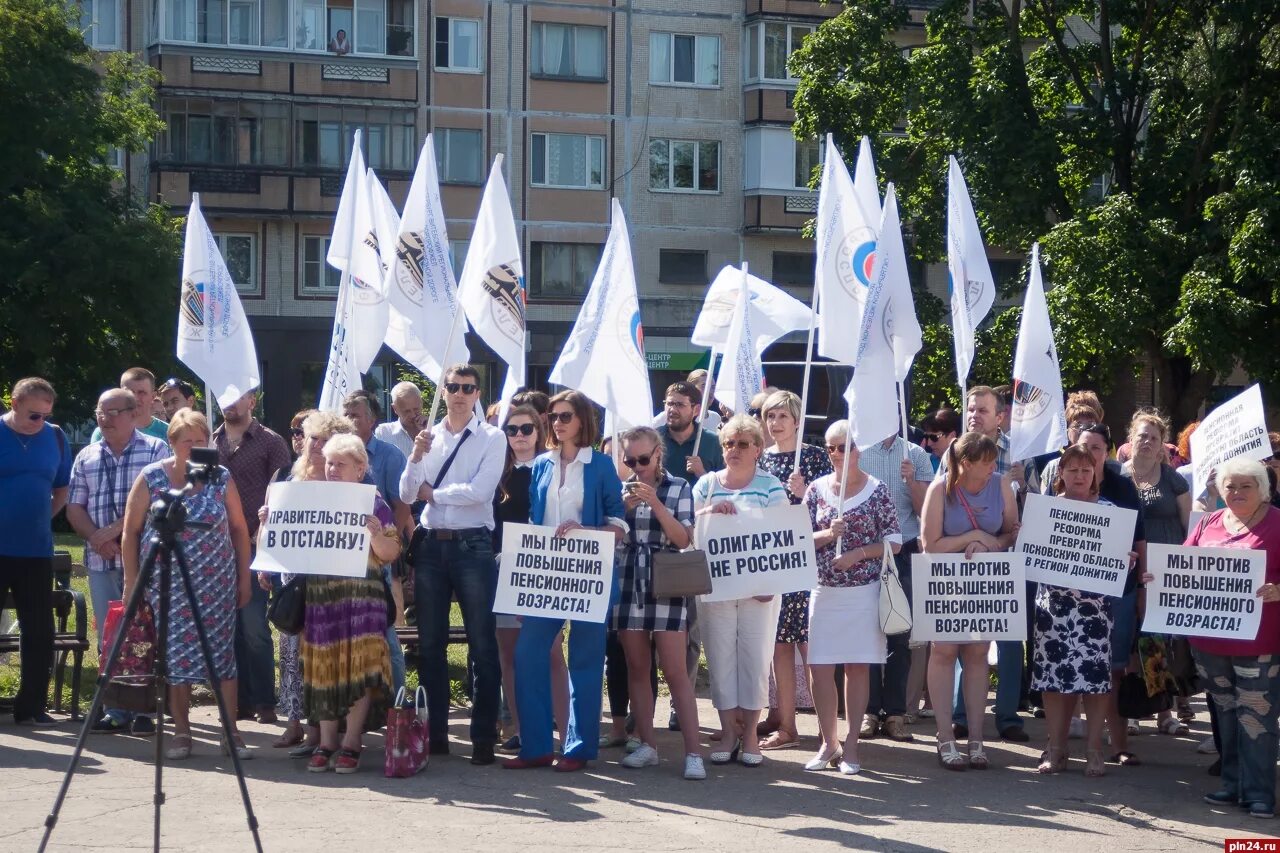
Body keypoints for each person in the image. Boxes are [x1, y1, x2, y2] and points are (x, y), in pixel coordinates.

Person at [504, 390, 627, 772]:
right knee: (527, 656)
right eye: (553, 417)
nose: (556, 423)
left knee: (585, 662)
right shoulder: (541, 464)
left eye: (565, 416)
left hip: (588, 575)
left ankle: (577, 748)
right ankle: (537, 746)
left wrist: (586, 529)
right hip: (544, 578)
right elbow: (534, 522)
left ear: (582, 420)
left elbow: (619, 524)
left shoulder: (602, 465)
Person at [120, 411, 253, 760]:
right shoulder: (152, 477)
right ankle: (181, 732)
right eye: (186, 441)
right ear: (172, 443)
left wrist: (244, 578)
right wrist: (132, 582)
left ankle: (231, 732)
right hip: (169, 586)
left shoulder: (221, 477)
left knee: (222, 658)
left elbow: (239, 528)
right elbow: (131, 531)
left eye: (200, 441)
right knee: (177, 658)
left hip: (217, 584)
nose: (194, 448)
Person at [399, 364, 506, 764]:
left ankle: (482, 738)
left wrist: (434, 494)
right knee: (430, 646)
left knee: (482, 644)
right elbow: (408, 492)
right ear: (442, 392)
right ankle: (435, 735)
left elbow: (481, 493)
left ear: (478, 394)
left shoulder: (492, 437)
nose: (460, 393)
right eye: (453, 387)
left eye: (468, 388)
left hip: (473, 546)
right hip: (430, 549)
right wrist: (415, 456)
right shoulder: (428, 437)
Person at [293, 434, 399, 774]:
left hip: (363, 601)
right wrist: (271, 521)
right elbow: (289, 546)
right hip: (323, 599)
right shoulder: (312, 500)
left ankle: (352, 742)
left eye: (340, 464)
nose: (333, 469)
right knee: (323, 666)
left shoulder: (375, 502)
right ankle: (326, 742)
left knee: (360, 669)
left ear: (360, 468)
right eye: (329, 463)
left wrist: (376, 535)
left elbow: (391, 554)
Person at [67, 387, 168, 734]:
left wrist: (111, 533)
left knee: (145, 634)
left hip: (144, 562)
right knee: (108, 635)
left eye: (112, 412)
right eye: (100, 412)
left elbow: (158, 503)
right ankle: (115, 710)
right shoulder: (86, 456)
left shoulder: (156, 450)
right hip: (100, 562)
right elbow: (74, 507)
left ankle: (145, 711)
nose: (104, 419)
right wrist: (95, 538)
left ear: (132, 412)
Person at [803, 420, 902, 775]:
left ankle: (852, 746)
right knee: (819, 667)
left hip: (863, 591)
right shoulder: (815, 489)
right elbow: (799, 536)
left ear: (859, 449)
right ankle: (828, 742)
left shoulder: (877, 490)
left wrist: (858, 554)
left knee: (857, 668)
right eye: (832, 447)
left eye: (845, 446)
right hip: (823, 589)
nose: (838, 453)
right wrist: (827, 535)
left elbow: (894, 540)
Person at [692, 414, 788, 768]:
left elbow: (782, 538)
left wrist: (770, 584)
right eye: (729, 443)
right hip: (715, 587)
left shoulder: (771, 486)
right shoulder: (706, 484)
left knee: (754, 660)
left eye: (743, 443)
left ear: (758, 449)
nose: (734, 450)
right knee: (720, 659)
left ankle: (749, 735)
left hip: (759, 591)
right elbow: (689, 529)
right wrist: (709, 511)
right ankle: (727, 732)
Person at [921, 431, 1019, 770]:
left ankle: (976, 738)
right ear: (965, 463)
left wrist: (991, 543)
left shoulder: (1002, 485)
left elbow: (1011, 533)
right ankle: (945, 736)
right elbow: (930, 545)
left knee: (978, 653)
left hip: (985, 583)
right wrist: (974, 536)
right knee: (944, 651)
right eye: (986, 461)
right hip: (946, 583)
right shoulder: (939, 489)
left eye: (994, 460)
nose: (993, 466)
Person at [1189, 457, 1280, 820]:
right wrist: (1157, 578)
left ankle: (1259, 793)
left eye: (1246, 485)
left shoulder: (1277, 523)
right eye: (1230, 485)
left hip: (1259, 643)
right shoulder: (1209, 521)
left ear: (1263, 489)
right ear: (1220, 489)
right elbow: (1183, 563)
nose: (1237, 492)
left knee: (1257, 715)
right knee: (1225, 713)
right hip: (1209, 641)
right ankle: (1231, 783)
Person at [936, 386, 1028, 744]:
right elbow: (945, 502)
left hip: (1002, 564)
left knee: (1006, 640)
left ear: (1000, 416)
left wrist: (1024, 484)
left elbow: (1032, 512)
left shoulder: (1018, 452)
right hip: (959, 566)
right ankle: (961, 716)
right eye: (970, 409)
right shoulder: (954, 453)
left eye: (982, 410)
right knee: (964, 638)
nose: (974, 415)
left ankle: (1007, 716)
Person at [612, 425, 705, 779]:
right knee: (637, 667)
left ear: (658, 454)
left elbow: (683, 538)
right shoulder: (620, 489)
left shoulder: (678, 487)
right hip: (628, 578)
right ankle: (647, 744)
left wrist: (654, 502)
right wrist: (623, 506)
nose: (638, 467)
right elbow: (612, 534)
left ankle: (693, 752)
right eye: (630, 460)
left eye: (643, 459)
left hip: (666, 576)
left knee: (675, 670)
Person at [1032, 444, 1126, 777]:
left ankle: (1094, 751)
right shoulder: (1044, 509)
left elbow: (1122, 557)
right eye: (1072, 470)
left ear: (1095, 474)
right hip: (1053, 609)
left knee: (1095, 681)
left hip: (1094, 611)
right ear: (1061, 474)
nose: (1079, 476)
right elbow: (1029, 555)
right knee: (1054, 680)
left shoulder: (1110, 510)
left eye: (1086, 470)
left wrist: (1124, 559)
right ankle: (1055, 749)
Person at [269, 411, 352, 754]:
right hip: (294, 577)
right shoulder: (288, 479)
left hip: (332, 581)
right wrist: (266, 527)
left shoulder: (346, 485)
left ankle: (325, 733)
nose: (316, 446)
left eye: (324, 439)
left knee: (324, 655)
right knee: (293, 653)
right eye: (312, 438)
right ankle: (296, 725)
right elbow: (273, 528)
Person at [492, 405, 570, 756]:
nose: (519, 435)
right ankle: (522, 730)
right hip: (504, 567)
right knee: (508, 653)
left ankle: (569, 732)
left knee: (552, 653)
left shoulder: (551, 469)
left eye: (526, 428)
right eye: (512, 429)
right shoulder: (493, 470)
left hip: (543, 568)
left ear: (539, 432)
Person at [755, 389, 831, 750]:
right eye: (770, 416)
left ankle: (827, 728)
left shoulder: (815, 458)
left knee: (811, 646)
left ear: (797, 421)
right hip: (774, 563)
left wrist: (803, 495)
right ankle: (786, 725)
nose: (775, 423)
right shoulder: (761, 461)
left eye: (783, 416)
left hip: (807, 563)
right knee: (779, 646)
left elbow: (829, 511)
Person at [214, 389, 291, 725]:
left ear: (252, 401)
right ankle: (237, 700)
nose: (229, 403)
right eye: (224, 396)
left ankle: (263, 699)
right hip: (215, 549)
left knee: (254, 626)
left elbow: (281, 493)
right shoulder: (208, 440)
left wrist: (260, 537)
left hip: (258, 546)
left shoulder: (271, 442)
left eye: (237, 396)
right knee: (226, 630)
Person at [0, 378, 72, 727]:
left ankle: (31, 707)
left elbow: (61, 487)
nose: (40, 422)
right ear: (13, 403)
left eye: (45, 415)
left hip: (36, 551)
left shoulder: (55, 437)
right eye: (33, 415)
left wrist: (45, 516)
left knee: (39, 632)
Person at [857, 424, 933, 742]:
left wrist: (912, 481)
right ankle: (869, 712)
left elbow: (924, 512)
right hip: (869, 554)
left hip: (905, 553)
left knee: (900, 634)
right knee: (868, 634)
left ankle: (896, 714)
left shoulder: (916, 455)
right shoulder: (858, 453)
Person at [1122, 410, 1194, 735]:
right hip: (1130, 565)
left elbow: (1188, 525)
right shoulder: (1117, 477)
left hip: (1165, 566)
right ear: (1131, 438)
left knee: (1160, 638)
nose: (1147, 442)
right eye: (1142, 435)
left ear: (1162, 442)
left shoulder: (1172, 479)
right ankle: (1134, 708)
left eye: (1154, 437)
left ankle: (1165, 711)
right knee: (1132, 635)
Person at [343, 392, 410, 692]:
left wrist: (387, 541)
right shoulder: (335, 455)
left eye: (355, 414)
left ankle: (398, 703)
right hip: (341, 558)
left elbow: (401, 505)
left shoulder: (389, 455)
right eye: (346, 413)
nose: (349, 420)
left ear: (372, 420)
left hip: (378, 555)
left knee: (387, 634)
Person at [658, 381, 724, 484]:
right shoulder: (652, 440)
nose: (672, 409)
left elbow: (724, 488)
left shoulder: (713, 443)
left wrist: (702, 473)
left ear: (696, 410)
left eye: (680, 405)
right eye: (669, 403)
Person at [89, 367, 170, 444]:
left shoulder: (169, 432)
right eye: (129, 392)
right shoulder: (105, 432)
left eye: (141, 392)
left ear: (153, 396)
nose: (135, 398)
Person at [374, 381, 424, 460]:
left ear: (421, 403)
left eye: (416, 409)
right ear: (395, 408)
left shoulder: (436, 431)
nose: (413, 415)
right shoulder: (383, 433)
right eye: (407, 411)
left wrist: (428, 431)